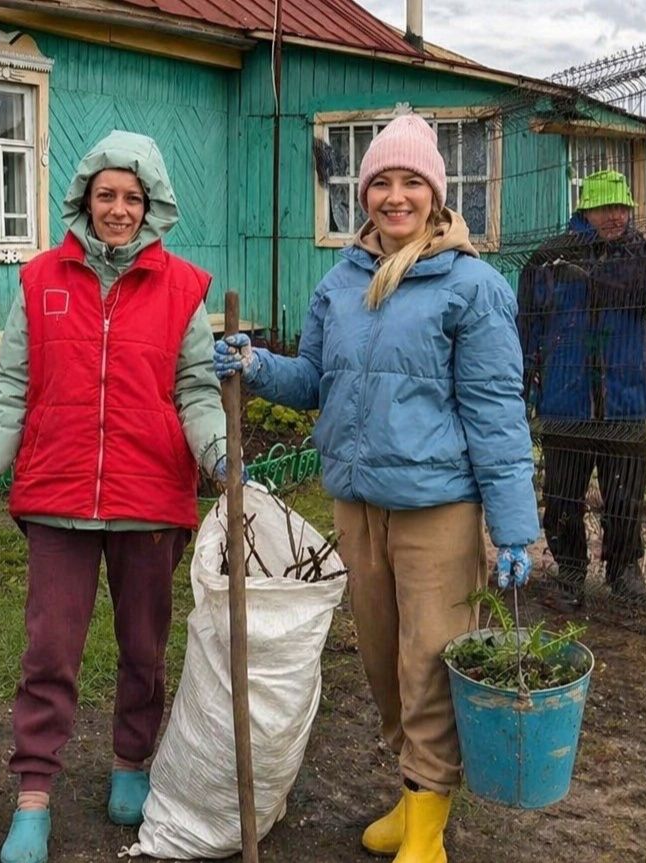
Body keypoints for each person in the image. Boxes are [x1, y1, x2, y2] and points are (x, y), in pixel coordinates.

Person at [214, 113, 537, 863]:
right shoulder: (341, 278)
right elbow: (315, 383)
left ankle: (428, 822)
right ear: (365, 194)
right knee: (383, 658)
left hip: (437, 507)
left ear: (436, 193)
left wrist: (514, 526)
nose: (396, 197)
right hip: (358, 501)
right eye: (382, 183)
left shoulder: (471, 286)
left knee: (431, 656)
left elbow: (495, 410)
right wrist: (259, 365)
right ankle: (412, 791)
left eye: (411, 182)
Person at [0, 130, 230, 863]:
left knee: (144, 648)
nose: (118, 209)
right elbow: (12, 388)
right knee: (49, 650)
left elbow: (197, 390)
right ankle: (33, 795)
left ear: (152, 205)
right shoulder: (41, 279)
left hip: (149, 496)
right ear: (84, 199)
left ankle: (131, 765)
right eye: (106, 195)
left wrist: (220, 450)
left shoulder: (182, 289)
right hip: (58, 495)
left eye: (132, 197)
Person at [517, 170, 646, 610]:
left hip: (624, 399)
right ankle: (569, 573)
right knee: (563, 494)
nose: (617, 216)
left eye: (623, 207)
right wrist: (524, 385)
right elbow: (527, 325)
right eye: (607, 208)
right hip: (567, 399)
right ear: (585, 210)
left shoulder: (641, 256)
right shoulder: (550, 260)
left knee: (625, 495)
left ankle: (624, 572)